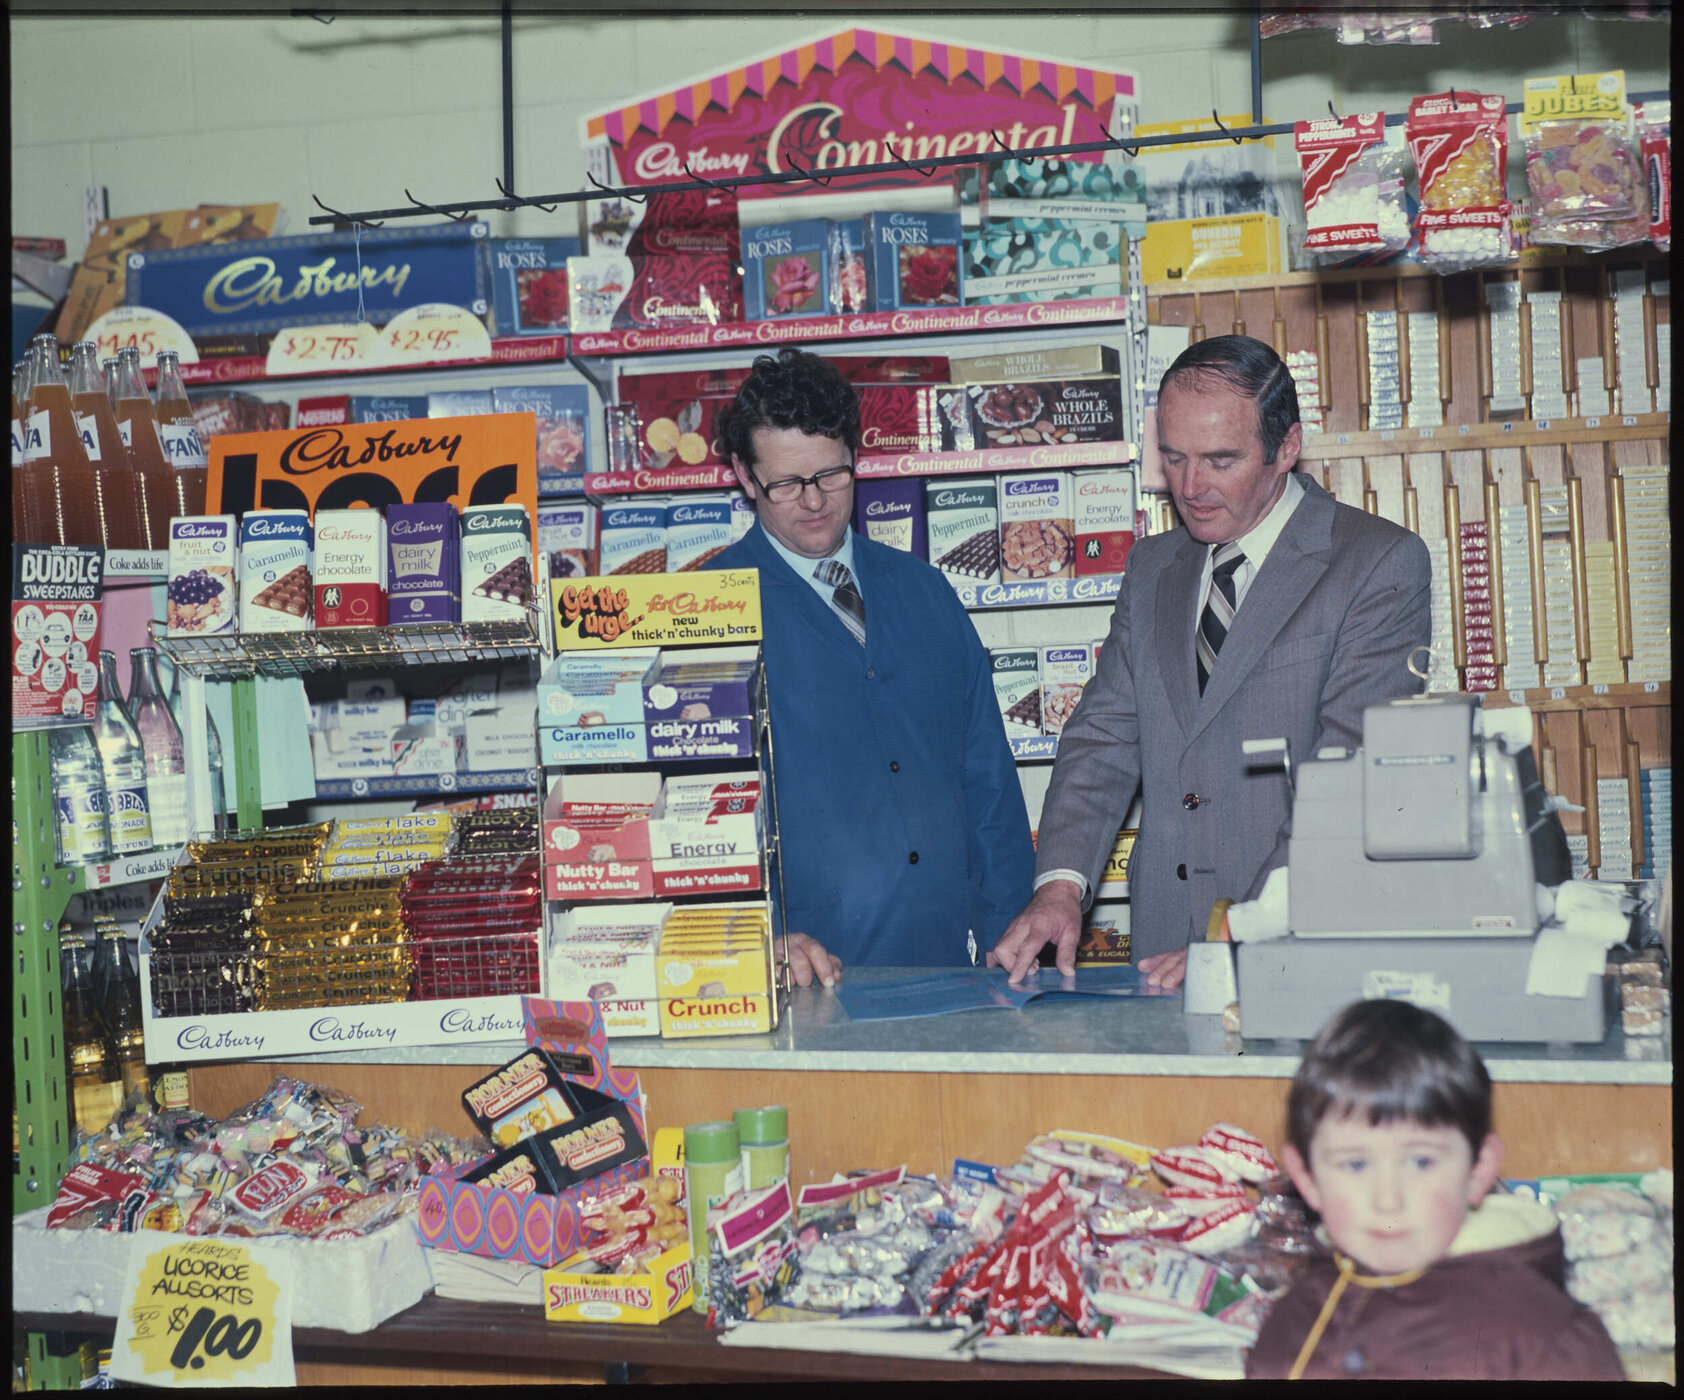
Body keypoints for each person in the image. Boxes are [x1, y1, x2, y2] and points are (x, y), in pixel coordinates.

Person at [991, 334, 1432, 990]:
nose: (1190, 487)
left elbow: (1353, 775)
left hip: (1302, 945)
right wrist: (1059, 886)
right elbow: (1102, 740)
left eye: (1220, 460)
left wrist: (1244, 928)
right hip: (1163, 944)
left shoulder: (1374, 563)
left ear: (1286, 448)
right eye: (1173, 458)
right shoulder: (1152, 566)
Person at [711, 348, 1034, 986]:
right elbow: (691, 823)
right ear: (745, 477)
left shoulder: (927, 593)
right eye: (785, 484)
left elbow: (989, 781)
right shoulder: (710, 612)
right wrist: (752, 940)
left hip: (960, 958)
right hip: (809, 970)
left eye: (832, 475)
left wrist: (1009, 928)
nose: (813, 502)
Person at [1247, 999, 1624, 1380]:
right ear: (1308, 1179)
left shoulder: (1550, 1343)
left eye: (1421, 1162)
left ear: (1478, 1171)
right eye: (1356, 1164)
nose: (1388, 1199)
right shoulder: (1289, 1328)